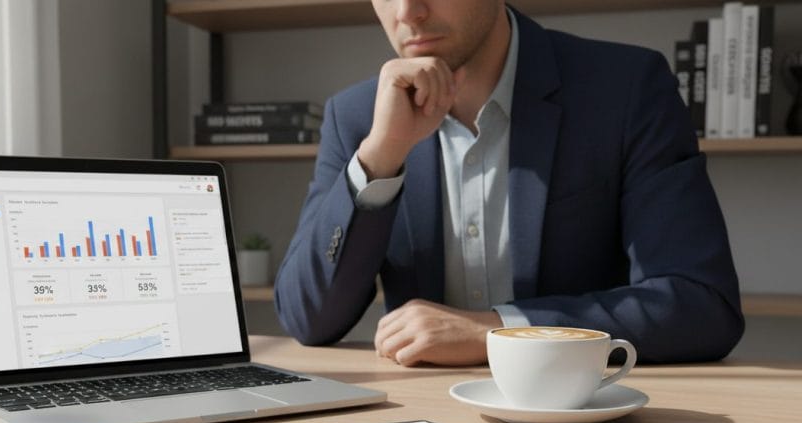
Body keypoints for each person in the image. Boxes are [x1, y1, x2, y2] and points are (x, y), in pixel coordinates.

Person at [273, 0, 743, 366]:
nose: (407, 13)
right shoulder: (358, 119)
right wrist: (381, 156)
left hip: (588, 415)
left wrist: (498, 332)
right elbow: (308, 319)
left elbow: (701, 305)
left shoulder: (627, 90)